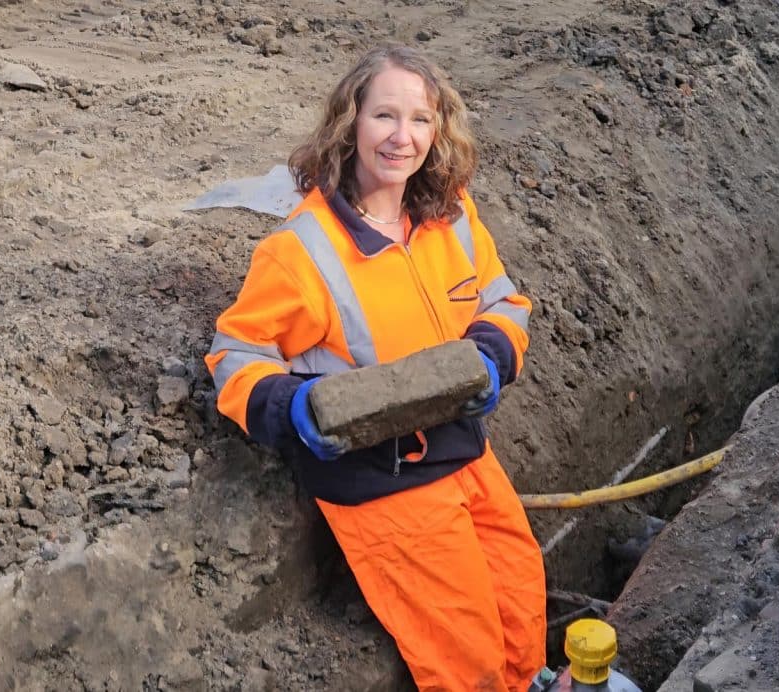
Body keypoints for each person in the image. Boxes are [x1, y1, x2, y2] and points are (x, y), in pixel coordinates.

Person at [205, 44, 546, 692]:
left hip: (464, 449)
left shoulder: (451, 214)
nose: (403, 136)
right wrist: (295, 408)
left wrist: (493, 357)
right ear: (350, 123)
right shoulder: (301, 250)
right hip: (383, 480)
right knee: (467, 660)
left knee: (522, 601)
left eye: (420, 120)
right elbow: (236, 353)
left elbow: (502, 300)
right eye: (385, 116)